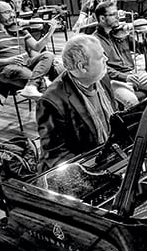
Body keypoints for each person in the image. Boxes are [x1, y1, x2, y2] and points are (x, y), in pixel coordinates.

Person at [36, 34, 120, 170]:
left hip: (110, 155)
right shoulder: (51, 101)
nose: (106, 59)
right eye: (100, 57)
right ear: (82, 67)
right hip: (85, 166)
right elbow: (56, 155)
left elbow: (116, 120)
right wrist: (94, 169)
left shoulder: (102, 78)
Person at [0, 1, 56, 99]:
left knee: (48, 55)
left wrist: (50, 32)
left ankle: (31, 86)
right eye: (7, 12)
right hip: (7, 68)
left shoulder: (18, 28)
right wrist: (8, 60)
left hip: (27, 63)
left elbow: (37, 47)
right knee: (41, 84)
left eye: (12, 12)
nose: (12, 15)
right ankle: (41, 92)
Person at [92, 0, 147, 107]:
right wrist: (125, 77)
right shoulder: (95, 41)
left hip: (134, 75)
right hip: (115, 81)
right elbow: (103, 69)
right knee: (132, 101)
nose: (117, 17)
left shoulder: (120, 33)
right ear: (102, 18)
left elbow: (142, 49)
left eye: (117, 14)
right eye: (113, 15)